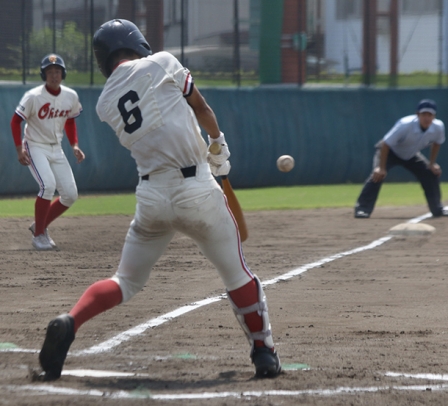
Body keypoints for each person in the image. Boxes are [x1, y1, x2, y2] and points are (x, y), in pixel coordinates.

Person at [38, 19, 281, 381]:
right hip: (196, 188)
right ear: (137, 42)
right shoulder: (163, 61)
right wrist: (218, 145)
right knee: (237, 275)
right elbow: (201, 108)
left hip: (151, 196)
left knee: (125, 280)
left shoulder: (105, 103)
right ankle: (264, 354)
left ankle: (70, 320)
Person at [12, 54, 85, 250]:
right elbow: (16, 121)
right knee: (48, 185)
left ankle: (40, 225)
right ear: (44, 74)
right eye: (50, 72)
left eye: (58, 71)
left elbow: (70, 120)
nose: (54, 75)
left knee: (70, 194)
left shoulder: (70, 96)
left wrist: (75, 145)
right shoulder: (33, 96)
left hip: (56, 148)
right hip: (34, 146)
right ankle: (39, 236)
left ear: (63, 74)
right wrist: (20, 149)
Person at [354, 99, 447, 219]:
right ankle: (362, 209)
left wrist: (432, 164)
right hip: (389, 152)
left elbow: (437, 143)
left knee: (430, 174)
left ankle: (437, 209)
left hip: (411, 154)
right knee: (377, 176)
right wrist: (381, 167)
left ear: (434, 116)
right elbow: (386, 144)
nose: (427, 118)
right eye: (424, 114)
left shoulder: (438, 127)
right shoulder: (405, 124)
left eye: (430, 115)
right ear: (417, 114)